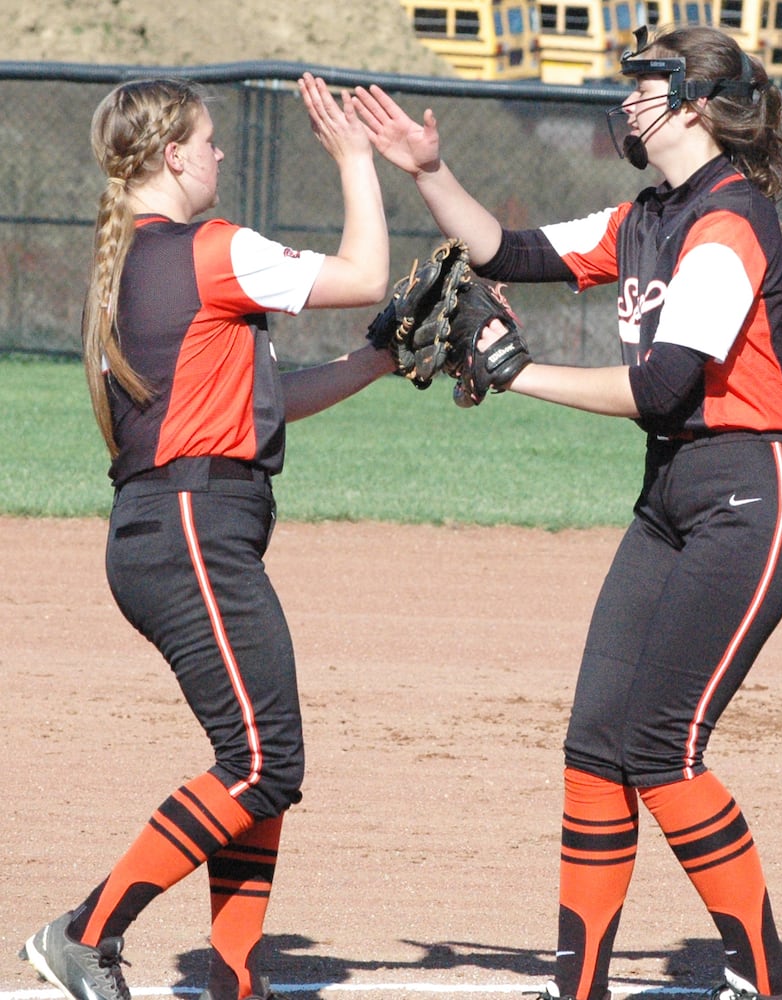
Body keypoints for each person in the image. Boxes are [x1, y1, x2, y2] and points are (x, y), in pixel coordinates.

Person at [352, 24, 782, 1000]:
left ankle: (770, 979)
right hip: (672, 501)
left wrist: (515, 373)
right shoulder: (647, 216)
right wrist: (430, 171)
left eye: (645, 86)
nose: (628, 101)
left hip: (751, 499)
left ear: (694, 105)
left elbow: (662, 385)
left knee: (660, 746)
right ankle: (580, 986)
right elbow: (511, 252)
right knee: (596, 742)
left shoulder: (732, 222)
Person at [21, 73, 393, 1000]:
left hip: (177, 528)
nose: (221, 152)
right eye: (210, 139)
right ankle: (84, 931)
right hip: (190, 526)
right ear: (176, 155)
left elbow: (269, 401)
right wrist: (356, 159)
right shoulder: (210, 250)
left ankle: (235, 979)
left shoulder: (146, 262)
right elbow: (367, 277)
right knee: (265, 761)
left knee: (259, 761)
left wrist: (381, 360)